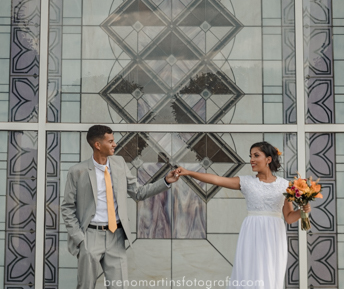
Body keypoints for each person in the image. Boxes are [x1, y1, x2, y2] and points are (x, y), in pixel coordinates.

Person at [61, 124, 184, 289]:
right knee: (85, 286)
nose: (115, 144)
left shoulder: (119, 163)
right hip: (90, 236)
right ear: (98, 145)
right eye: (110, 141)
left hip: (116, 236)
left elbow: (138, 193)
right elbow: (67, 207)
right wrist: (80, 239)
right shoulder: (77, 171)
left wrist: (165, 181)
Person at [175, 141, 310, 289]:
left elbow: (289, 217)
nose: (251, 159)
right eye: (250, 156)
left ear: (268, 159)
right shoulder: (246, 182)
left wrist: (302, 211)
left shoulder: (285, 185)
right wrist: (189, 172)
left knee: (271, 274)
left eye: (256, 155)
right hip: (252, 233)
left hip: (274, 236)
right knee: (250, 273)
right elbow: (217, 179)